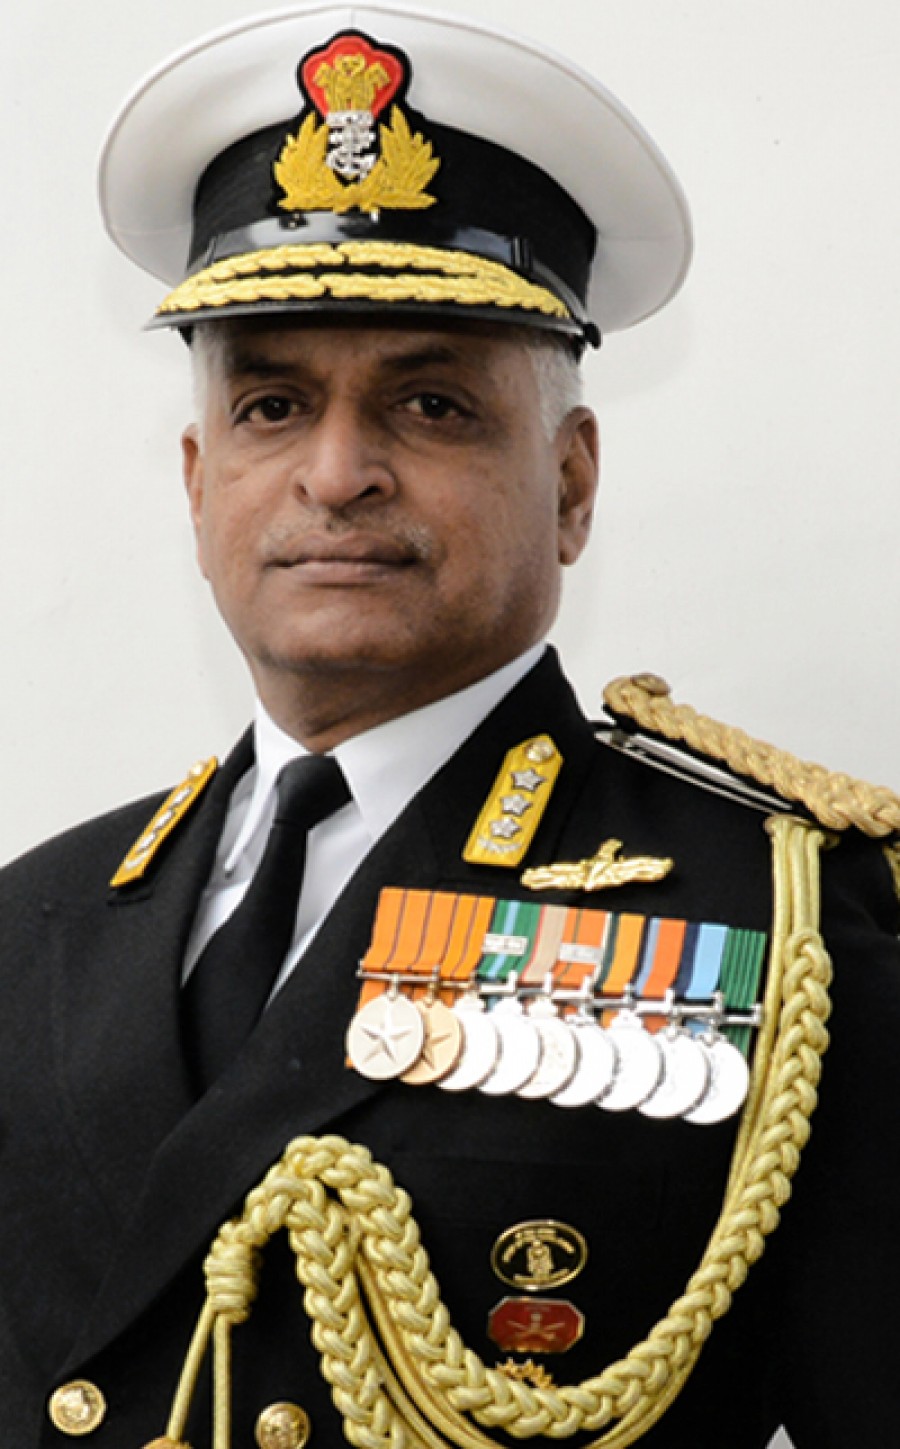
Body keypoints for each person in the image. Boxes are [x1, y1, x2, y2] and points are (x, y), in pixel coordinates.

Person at [1, 6, 898, 1448]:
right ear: (197, 480)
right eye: (273, 404)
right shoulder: (30, 923)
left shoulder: (785, 925)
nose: (337, 474)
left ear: (572, 484)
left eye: (429, 403)